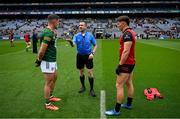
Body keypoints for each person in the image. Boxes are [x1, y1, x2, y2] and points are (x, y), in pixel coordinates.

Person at [105, 16, 136, 116]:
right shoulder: (130, 32)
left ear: (124, 23)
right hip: (131, 62)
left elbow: (126, 51)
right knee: (129, 83)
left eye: (118, 23)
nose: (117, 25)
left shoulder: (127, 34)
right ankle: (129, 104)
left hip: (126, 63)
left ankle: (116, 110)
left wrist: (120, 65)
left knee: (119, 85)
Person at [35, 14, 61, 111]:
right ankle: (47, 104)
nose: (59, 22)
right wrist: (39, 59)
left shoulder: (50, 32)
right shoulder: (48, 33)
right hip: (47, 61)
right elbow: (42, 50)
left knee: (54, 78)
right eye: (58, 21)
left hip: (52, 60)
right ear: (54, 21)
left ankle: (50, 96)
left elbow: (39, 37)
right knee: (48, 82)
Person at [67, 22, 97, 97]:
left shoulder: (90, 35)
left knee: (90, 72)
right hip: (80, 56)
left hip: (88, 56)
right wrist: (70, 42)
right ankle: (83, 87)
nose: (80, 26)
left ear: (85, 27)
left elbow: (95, 45)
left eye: (82, 25)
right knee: (81, 72)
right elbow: (73, 45)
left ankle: (91, 89)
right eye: (79, 25)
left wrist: (92, 53)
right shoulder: (76, 36)